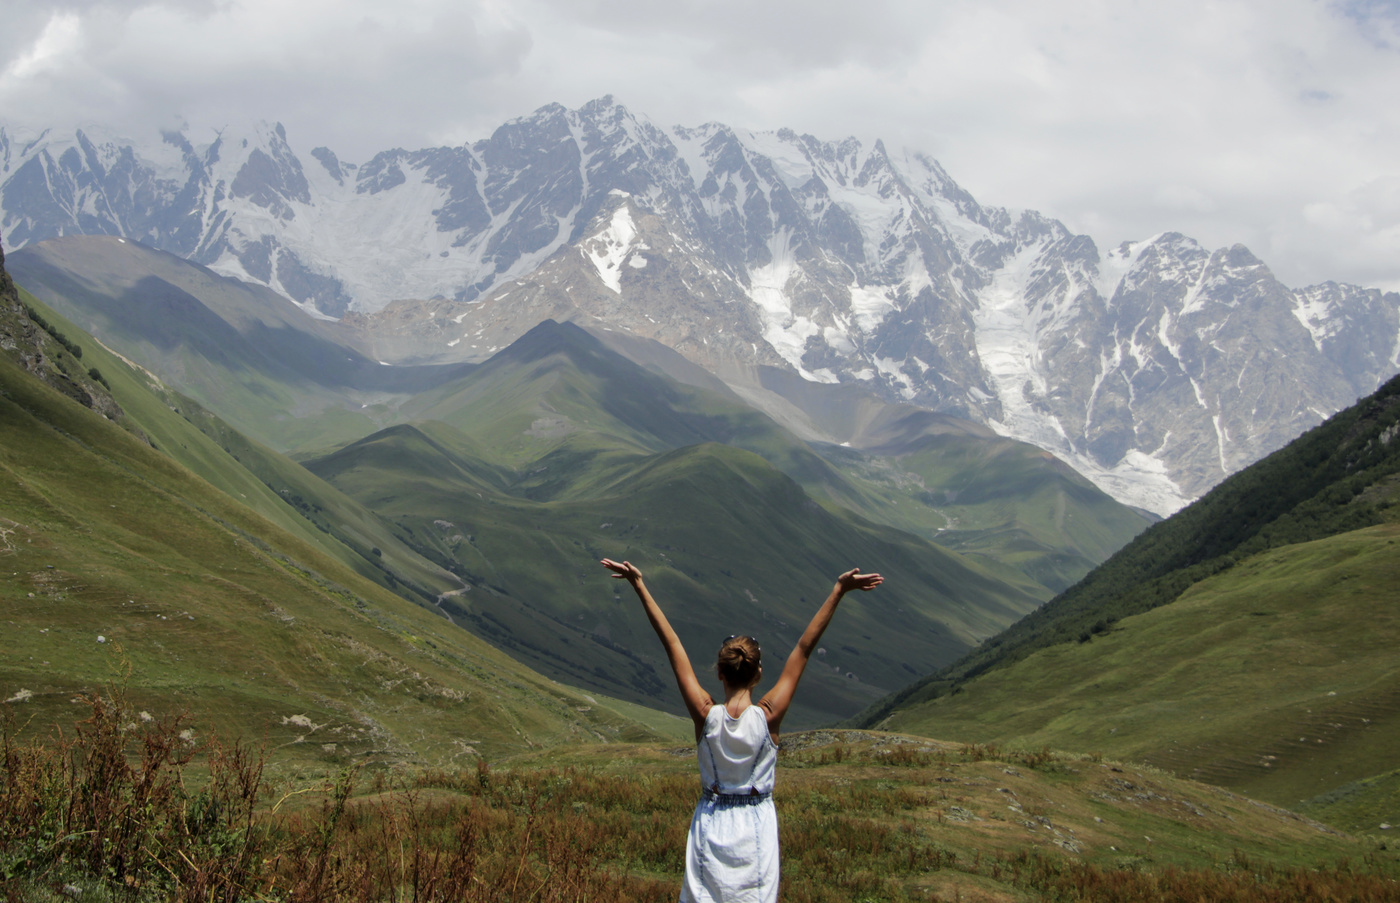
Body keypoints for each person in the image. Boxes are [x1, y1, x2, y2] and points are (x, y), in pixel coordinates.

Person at [600, 558, 883, 903]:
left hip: (710, 822)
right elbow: (804, 649)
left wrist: (639, 585)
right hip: (756, 828)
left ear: (719, 673)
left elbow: (672, 644)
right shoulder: (768, 717)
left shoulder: (706, 716)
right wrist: (838, 591)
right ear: (758, 674)